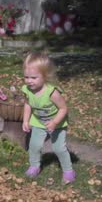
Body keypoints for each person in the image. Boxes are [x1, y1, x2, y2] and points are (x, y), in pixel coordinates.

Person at [21, 52, 75, 184]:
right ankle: (34, 166)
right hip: (39, 122)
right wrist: (26, 120)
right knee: (34, 145)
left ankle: (68, 171)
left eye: (33, 77)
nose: (29, 81)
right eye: (26, 77)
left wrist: (55, 122)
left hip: (57, 123)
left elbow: (63, 108)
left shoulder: (52, 93)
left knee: (58, 148)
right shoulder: (27, 90)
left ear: (45, 77)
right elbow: (28, 105)